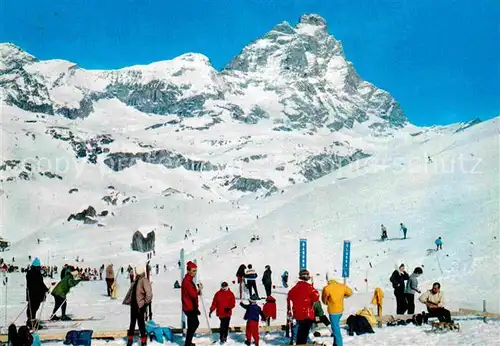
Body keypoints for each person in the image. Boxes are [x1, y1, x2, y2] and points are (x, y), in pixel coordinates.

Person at [287, 269, 320, 345]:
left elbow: (289, 298)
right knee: (303, 335)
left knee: (299, 333)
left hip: (297, 314)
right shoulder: (309, 287)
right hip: (307, 314)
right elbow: (316, 297)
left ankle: (297, 342)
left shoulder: (294, 288)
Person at [123, 265, 152, 346]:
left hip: (140, 306)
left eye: (136, 271)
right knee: (132, 323)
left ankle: (143, 341)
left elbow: (149, 294)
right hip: (134, 305)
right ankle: (130, 340)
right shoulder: (137, 280)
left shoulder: (144, 280)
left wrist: (144, 303)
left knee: (141, 324)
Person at [321, 274, 352, 346]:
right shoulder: (342, 286)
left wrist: (327, 302)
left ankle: (339, 344)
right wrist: (344, 296)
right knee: (336, 327)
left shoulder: (327, 288)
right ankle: (335, 344)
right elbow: (350, 292)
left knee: (336, 330)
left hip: (333, 312)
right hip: (340, 311)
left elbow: (324, 300)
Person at [182, 261, 202, 346]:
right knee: (194, 324)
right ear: (188, 271)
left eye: (196, 271)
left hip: (190, 306)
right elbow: (193, 294)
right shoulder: (187, 281)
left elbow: (192, 293)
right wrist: (199, 289)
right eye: (193, 271)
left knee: (192, 324)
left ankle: (188, 342)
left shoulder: (188, 280)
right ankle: (187, 343)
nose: (195, 273)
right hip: (189, 307)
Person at [26, 257, 49, 328]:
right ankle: (32, 323)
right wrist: (46, 289)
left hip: (30, 294)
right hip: (36, 294)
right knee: (34, 308)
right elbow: (40, 283)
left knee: (30, 307)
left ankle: (30, 320)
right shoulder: (37, 274)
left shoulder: (29, 273)